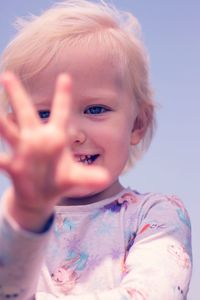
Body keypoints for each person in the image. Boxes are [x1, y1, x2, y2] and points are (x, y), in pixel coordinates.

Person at [0, 0, 192, 299]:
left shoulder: (154, 216)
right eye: (44, 114)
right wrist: (28, 215)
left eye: (95, 109)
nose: (70, 134)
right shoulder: (11, 220)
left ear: (137, 124)